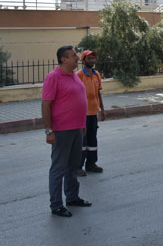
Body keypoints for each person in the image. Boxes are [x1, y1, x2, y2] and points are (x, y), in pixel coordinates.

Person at [41, 45, 92, 217]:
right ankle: (56, 205)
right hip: (62, 130)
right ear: (63, 59)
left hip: (77, 128)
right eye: (73, 56)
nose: (77, 58)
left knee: (73, 166)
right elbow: (46, 104)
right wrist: (49, 131)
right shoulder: (53, 77)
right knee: (58, 168)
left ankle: (72, 197)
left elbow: (79, 101)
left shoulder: (74, 76)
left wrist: (83, 124)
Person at [76, 50, 106, 176]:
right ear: (83, 60)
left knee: (93, 140)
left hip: (93, 113)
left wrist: (102, 110)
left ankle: (91, 164)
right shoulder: (79, 75)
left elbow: (98, 93)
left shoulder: (96, 74)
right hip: (83, 114)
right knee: (82, 142)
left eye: (93, 58)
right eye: (89, 58)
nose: (92, 61)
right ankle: (78, 166)